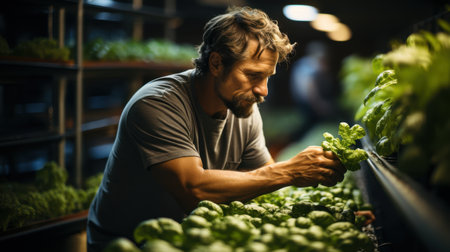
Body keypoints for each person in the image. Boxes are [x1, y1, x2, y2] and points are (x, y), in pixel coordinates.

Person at [87, 6, 346, 252]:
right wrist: (288, 171)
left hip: (191, 238)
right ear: (216, 63)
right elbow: (193, 189)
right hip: (129, 243)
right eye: (253, 75)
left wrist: (334, 218)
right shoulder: (157, 104)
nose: (263, 90)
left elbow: (262, 181)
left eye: (268, 77)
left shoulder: (244, 109)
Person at [289, 41, 341, 139]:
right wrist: (319, 105)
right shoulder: (312, 64)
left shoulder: (302, 63)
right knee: (310, 125)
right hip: (309, 102)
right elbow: (310, 88)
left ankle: (297, 140)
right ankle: (296, 140)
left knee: (308, 125)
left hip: (302, 100)